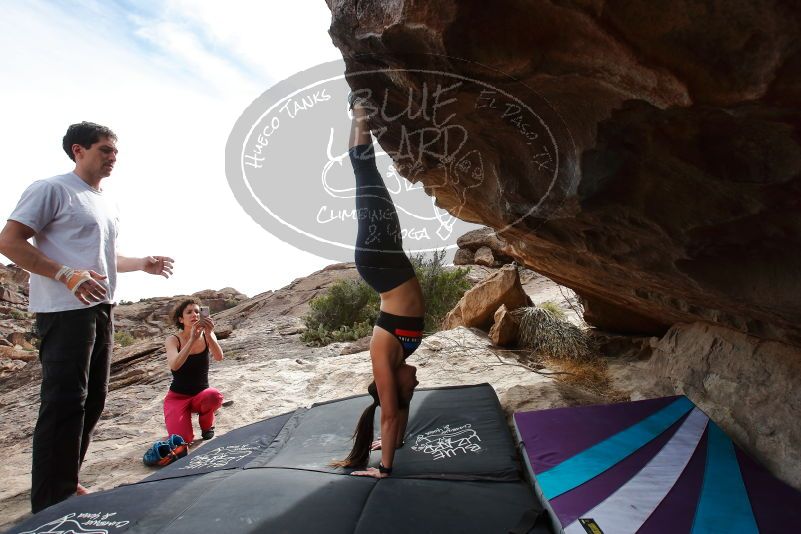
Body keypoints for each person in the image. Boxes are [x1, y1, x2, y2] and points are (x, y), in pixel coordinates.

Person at [0, 122, 174, 513]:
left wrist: (142, 263)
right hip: (63, 312)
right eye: (105, 150)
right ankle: (49, 501)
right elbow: (8, 241)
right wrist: (65, 274)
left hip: (101, 308)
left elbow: (103, 257)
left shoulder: (105, 202)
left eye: (115, 151)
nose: (113, 158)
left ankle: (66, 481)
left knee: (92, 399)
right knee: (64, 401)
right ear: (78, 150)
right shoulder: (53, 189)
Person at [331, 96, 425, 479]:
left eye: (410, 385)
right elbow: (398, 415)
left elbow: (389, 413)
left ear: (394, 387)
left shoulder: (384, 356)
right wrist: (394, 440)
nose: (416, 378)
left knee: (365, 175)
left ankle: (358, 111)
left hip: (380, 264)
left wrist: (383, 468)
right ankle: (359, 115)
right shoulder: (402, 360)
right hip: (390, 262)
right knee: (373, 182)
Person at [163, 299, 224, 444]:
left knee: (213, 395)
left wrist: (209, 334)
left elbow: (219, 357)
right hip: (178, 397)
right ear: (181, 319)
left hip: (201, 395)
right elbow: (174, 365)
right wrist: (191, 340)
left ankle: (207, 425)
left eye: (197, 311)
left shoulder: (208, 334)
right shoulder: (173, 340)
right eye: (189, 312)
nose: (194, 315)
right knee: (182, 441)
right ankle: (180, 419)